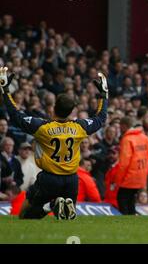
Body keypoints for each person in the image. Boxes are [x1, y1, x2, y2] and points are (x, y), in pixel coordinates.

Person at [0, 67, 108, 220]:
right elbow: (100, 118)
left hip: (49, 178)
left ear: (53, 108)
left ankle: (50, 205)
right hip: (71, 179)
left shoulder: (43, 128)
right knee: (65, 217)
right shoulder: (79, 127)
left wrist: (5, 90)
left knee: (25, 216)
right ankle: (58, 207)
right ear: (71, 111)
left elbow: (15, 115)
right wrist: (104, 95)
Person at [115, 116, 148, 215]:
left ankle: (126, 221)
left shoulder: (127, 139)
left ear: (124, 126)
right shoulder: (144, 137)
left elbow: (124, 163)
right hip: (141, 174)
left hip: (130, 175)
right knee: (131, 199)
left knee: (122, 198)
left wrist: (118, 180)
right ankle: (132, 217)